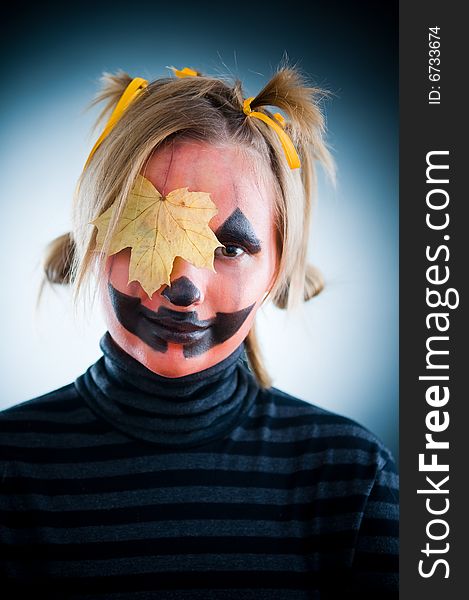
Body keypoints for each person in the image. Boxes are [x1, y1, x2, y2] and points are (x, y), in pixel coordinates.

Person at [0, 65, 398, 598]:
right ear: (93, 241)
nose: (183, 285)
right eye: (147, 230)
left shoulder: (353, 478)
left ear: (278, 267)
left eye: (230, 249)